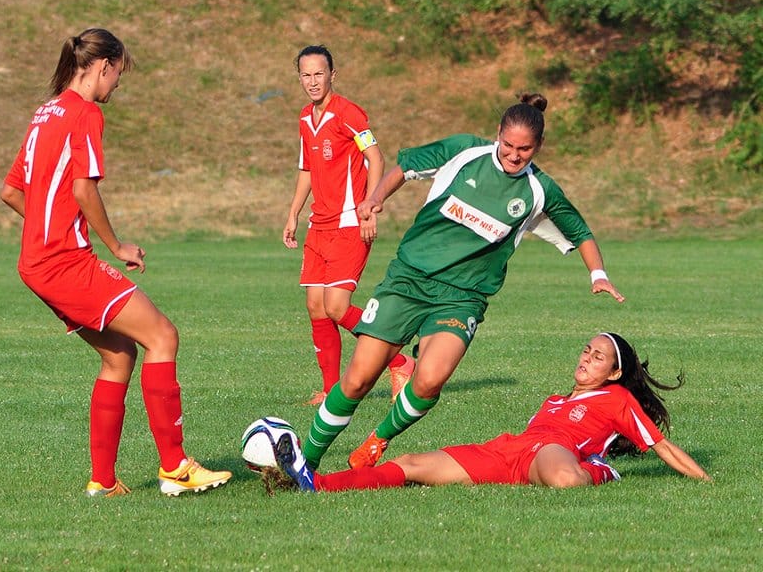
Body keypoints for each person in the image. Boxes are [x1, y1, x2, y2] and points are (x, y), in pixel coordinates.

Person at [299, 93, 626, 472]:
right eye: (508, 145)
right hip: (409, 280)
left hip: (462, 298)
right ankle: (305, 460)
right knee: (357, 381)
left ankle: (377, 441)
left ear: (539, 147)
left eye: (525, 149)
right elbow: (405, 168)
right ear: (496, 135)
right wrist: (375, 198)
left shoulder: (539, 190)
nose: (514, 156)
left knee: (429, 381)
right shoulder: (464, 151)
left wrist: (597, 275)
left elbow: (580, 231)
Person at [0, 28, 231, 497]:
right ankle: (175, 468)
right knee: (163, 335)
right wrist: (117, 245)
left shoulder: (44, 113)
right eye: (118, 74)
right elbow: (85, 190)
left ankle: (103, 482)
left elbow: (11, 192)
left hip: (36, 264)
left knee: (118, 355)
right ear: (102, 66)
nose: (118, 85)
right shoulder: (84, 114)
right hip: (65, 263)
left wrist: (51, 230)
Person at [268, 332, 711, 493]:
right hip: (511, 450)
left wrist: (707, 482)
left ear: (615, 372)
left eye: (598, 357)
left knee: (564, 478)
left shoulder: (616, 400)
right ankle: (317, 484)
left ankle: (596, 471)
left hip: (555, 451)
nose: (586, 359)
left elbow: (662, 445)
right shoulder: (555, 401)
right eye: (585, 350)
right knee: (412, 464)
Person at [283, 45, 415, 406]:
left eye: (319, 74)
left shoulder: (349, 114)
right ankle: (329, 390)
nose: (312, 81)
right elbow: (307, 169)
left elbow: (376, 157)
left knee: (338, 306)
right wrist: (294, 212)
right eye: (306, 75)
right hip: (319, 226)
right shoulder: (304, 119)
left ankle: (401, 361)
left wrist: (370, 207)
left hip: (348, 224)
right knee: (316, 306)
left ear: (332, 75)